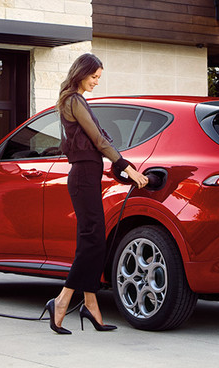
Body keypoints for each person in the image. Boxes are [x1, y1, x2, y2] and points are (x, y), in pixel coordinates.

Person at [43, 53, 148, 335]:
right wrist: (126, 167)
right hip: (83, 176)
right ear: (81, 73)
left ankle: (91, 304)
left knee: (93, 240)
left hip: (87, 175)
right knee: (92, 241)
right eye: (94, 77)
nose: (96, 82)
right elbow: (98, 139)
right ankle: (63, 300)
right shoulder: (74, 101)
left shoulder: (75, 100)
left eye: (98, 78)